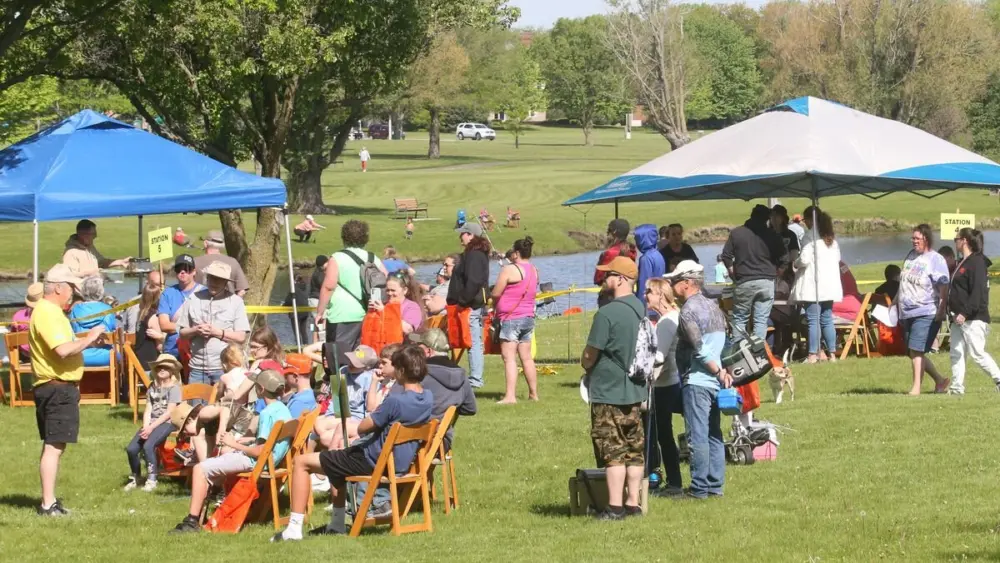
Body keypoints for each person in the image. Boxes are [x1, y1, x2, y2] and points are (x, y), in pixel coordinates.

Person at [272, 345, 433, 541]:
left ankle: (294, 529)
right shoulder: (427, 398)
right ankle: (337, 524)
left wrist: (356, 424)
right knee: (336, 458)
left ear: (400, 370)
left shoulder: (396, 401)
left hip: (371, 460)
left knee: (302, 462)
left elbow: (364, 426)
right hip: (399, 462)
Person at [171, 369, 292, 534]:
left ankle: (192, 521)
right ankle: (215, 499)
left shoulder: (266, 413)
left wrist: (234, 444)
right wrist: (249, 441)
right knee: (219, 461)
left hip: (257, 462)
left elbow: (260, 451)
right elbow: (268, 443)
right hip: (270, 459)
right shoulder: (283, 409)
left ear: (260, 390)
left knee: (200, 469)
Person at [31, 264, 106, 516]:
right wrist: (89, 338)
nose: (74, 293)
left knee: (55, 445)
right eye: (72, 288)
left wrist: (86, 339)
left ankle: (49, 501)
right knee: (54, 446)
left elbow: (64, 345)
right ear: (59, 288)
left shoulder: (51, 312)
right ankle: (47, 504)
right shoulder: (48, 312)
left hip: (58, 387)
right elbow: (62, 350)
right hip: (56, 387)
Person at [581, 256, 647, 520]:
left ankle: (614, 508)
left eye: (608, 274)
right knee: (634, 450)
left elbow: (590, 354)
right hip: (635, 391)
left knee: (613, 452)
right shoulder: (640, 308)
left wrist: (585, 365)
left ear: (620, 279)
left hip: (609, 392)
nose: (603, 279)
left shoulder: (607, 313)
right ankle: (633, 504)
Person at [664, 260, 731, 500]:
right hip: (716, 381)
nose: (670, 286)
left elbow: (700, 349)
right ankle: (715, 485)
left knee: (697, 435)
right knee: (714, 433)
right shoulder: (714, 307)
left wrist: (715, 371)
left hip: (698, 380)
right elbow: (725, 345)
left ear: (685, 284)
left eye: (673, 282)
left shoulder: (688, 311)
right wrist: (724, 372)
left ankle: (699, 488)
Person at [316, 220, 387, 366]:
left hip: (341, 315)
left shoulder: (337, 258)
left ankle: (339, 387)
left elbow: (328, 286)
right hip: (367, 312)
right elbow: (385, 280)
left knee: (338, 359)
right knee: (361, 357)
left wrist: (320, 312)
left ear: (344, 237)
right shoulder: (373, 258)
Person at [176, 261, 250, 391]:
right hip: (197, 368)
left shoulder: (236, 302)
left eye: (218, 280)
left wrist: (217, 332)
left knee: (223, 408)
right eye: (211, 278)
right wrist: (195, 330)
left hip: (225, 368)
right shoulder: (193, 299)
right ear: (207, 278)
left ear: (226, 282)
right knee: (196, 410)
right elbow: (182, 333)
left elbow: (241, 337)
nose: (213, 283)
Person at [721, 204, 788, 342]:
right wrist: (778, 272)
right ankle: (758, 354)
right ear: (767, 219)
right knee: (761, 321)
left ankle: (738, 353)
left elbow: (726, 256)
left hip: (744, 280)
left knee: (740, 319)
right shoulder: (772, 234)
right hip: (766, 281)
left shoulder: (737, 233)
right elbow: (784, 258)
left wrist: (732, 272)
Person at [898, 224, 950, 396]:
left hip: (926, 310)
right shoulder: (910, 256)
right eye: (913, 238)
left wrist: (942, 308)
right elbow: (904, 280)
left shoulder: (935, 259)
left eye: (917, 238)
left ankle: (916, 389)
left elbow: (943, 286)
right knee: (911, 351)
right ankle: (940, 381)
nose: (914, 241)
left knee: (917, 350)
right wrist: (894, 302)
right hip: (906, 311)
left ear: (926, 239)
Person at [643, 278, 683, 497]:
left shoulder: (667, 322)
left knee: (663, 437)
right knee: (664, 436)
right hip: (671, 381)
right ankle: (669, 480)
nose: (645, 294)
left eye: (648, 291)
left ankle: (674, 482)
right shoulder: (672, 317)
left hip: (663, 385)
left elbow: (659, 357)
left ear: (660, 294)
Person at [948, 228, 1000, 394]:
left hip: (973, 318)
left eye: (956, 239)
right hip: (957, 317)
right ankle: (957, 387)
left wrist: (965, 312)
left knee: (977, 353)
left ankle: (998, 379)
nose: (954, 241)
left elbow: (977, 292)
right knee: (956, 352)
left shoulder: (977, 262)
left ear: (964, 241)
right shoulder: (963, 261)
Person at [407, 329, 478, 450]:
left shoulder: (418, 374)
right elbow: (470, 409)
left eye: (419, 347)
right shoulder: (461, 375)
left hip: (413, 442)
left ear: (428, 351)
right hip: (442, 442)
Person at [124, 354, 182, 492]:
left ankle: (152, 479)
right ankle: (136, 476)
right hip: (151, 423)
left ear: (172, 371)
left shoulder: (174, 388)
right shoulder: (152, 387)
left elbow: (169, 412)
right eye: (159, 367)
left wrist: (151, 428)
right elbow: (148, 409)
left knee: (148, 446)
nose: (162, 369)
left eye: (166, 367)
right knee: (131, 449)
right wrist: (145, 427)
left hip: (167, 422)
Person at [791, 207, 843, 364]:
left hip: (814, 285)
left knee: (813, 320)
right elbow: (838, 259)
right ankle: (832, 353)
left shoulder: (809, 238)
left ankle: (813, 354)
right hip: (829, 286)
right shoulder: (831, 240)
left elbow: (804, 259)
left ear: (809, 220)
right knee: (826, 319)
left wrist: (795, 263)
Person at [492, 237, 539, 404]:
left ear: (517, 253)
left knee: (509, 358)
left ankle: (510, 396)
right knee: (526, 357)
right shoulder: (534, 269)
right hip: (528, 318)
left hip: (511, 318)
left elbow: (496, 293)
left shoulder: (509, 270)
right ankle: (534, 394)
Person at [448, 222, 491, 389]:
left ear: (471, 235)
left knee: (472, 342)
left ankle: (476, 379)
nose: (461, 236)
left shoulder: (474, 255)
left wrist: (462, 301)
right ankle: (475, 377)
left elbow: (473, 281)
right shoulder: (476, 253)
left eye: (464, 233)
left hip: (470, 306)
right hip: (473, 305)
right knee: (474, 342)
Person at [314, 345, 378, 450]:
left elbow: (369, 410)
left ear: (367, 367)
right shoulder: (342, 371)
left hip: (357, 419)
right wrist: (329, 416)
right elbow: (336, 401)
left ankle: (339, 449)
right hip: (342, 414)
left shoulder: (370, 379)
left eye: (356, 363)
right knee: (317, 424)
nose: (351, 364)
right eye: (351, 360)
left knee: (324, 437)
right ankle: (340, 446)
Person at [158, 254, 204, 360]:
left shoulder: (204, 292)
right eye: (179, 269)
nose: (182, 272)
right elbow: (164, 325)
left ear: (194, 271)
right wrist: (193, 329)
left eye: (187, 269)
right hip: (173, 350)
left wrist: (183, 329)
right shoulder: (167, 293)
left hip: (197, 350)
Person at [68, 276, 117, 367]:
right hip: (105, 355)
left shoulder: (74, 310)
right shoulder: (108, 309)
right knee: (122, 356)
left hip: (80, 354)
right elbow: (111, 331)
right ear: (101, 292)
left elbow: (73, 331)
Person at [61, 219, 131, 277]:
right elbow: (70, 275)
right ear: (83, 235)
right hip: (83, 292)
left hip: (95, 290)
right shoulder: (71, 252)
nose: (95, 236)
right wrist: (92, 273)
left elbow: (101, 262)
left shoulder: (89, 247)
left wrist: (121, 262)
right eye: (93, 234)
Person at [595, 219, 637, 308]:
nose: (607, 233)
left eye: (608, 230)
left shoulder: (610, 253)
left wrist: (601, 259)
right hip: (628, 292)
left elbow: (598, 279)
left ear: (614, 232)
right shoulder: (632, 249)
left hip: (610, 296)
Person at [194, 231, 249, 297]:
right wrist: (234, 304)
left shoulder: (195, 261)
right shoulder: (233, 262)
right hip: (227, 305)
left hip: (200, 304)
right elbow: (242, 291)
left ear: (205, 243)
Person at [10, 282, 43, 360]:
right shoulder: (51, 315)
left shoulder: (18, 316)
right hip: (45, 355)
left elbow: (12, 337)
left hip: (25, 355)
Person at [635, 224, 665, 307]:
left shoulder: (646, 258)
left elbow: (644, 285)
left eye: (637, 238)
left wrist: (640, 306)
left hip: (648, 305)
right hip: (659, 300)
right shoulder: (658, 254)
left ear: (643, 239)